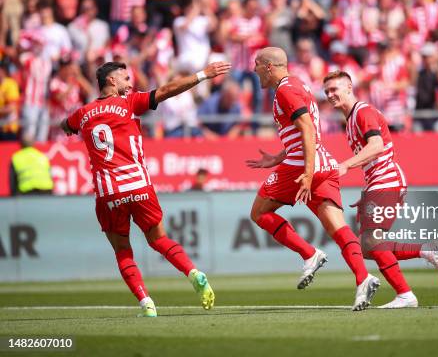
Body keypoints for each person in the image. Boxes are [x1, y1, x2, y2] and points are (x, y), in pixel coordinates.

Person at [60, 60, 231, 316]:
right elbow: (166, 91)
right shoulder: (129, 103)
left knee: (122, 250)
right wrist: (202, 76)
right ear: (111, 81)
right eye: (125, 79)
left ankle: (146, 303)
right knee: (159, 239)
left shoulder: (82, 113)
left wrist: (73, 123)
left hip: (109, 192)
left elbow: (66, 126)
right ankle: (192, 272)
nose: (130, 84)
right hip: (139, 185)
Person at [246, 47, 380, 311]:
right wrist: (277, 157)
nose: (254, 69)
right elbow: (303, 131)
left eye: (257, 64)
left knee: (259, 213)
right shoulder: (298, 85)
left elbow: (306, 127)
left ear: (269, 67)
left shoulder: (285, 90)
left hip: (302, 165)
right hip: (323, 161)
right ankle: (363, 278)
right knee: (338, 228)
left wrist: (306, 172)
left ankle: (309, 253)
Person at [323, 70, 438, 309]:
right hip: (378, 182)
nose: (330, 94)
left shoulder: (363, 112)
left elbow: (376, 145)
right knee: (367, 247)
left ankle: (405, 294)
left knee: (371, 240)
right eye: (327, 91)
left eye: (335, 89)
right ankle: (423, 251)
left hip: (387, 180)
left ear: (349, 87)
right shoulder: (349, 119)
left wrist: (346, 165)